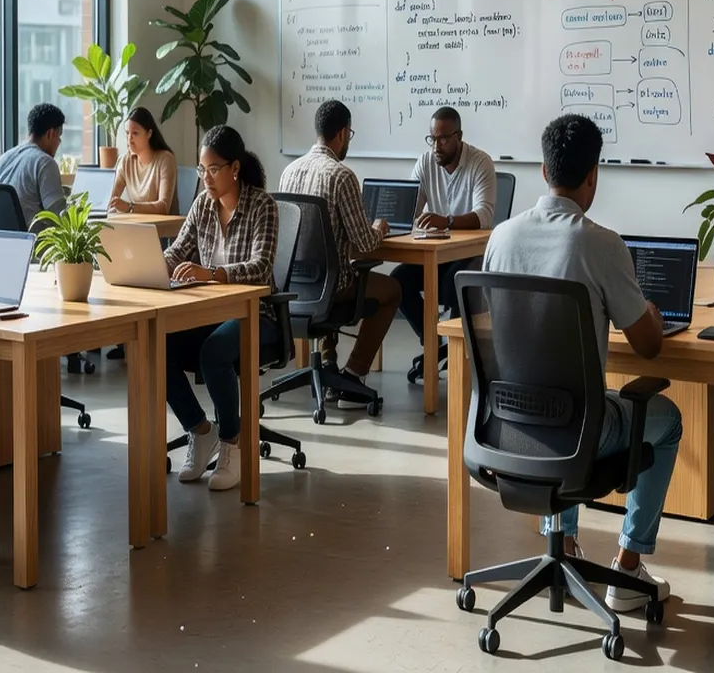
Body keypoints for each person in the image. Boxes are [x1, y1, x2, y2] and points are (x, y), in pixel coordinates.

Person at [483, 113, 681, 612]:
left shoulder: (501, 238)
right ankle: (628, 566)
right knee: (668, 419)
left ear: (544, 169)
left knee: (556, 399)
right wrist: (650, 314)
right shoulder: (600, 243)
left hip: (506, 425)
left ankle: (565, 544)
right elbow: (649, 346)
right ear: (593, 174)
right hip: (578, 432)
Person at [164, 126, 280, 491]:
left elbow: (261, 267)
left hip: (257, 314)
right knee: (155, 344)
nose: (206, 178)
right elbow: (176, 253)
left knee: (214, 352)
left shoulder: (263, 206)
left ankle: (232, 442)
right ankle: (201, 431)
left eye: (213, 169)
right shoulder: (202, 205)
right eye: (201, 169)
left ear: (234, 167)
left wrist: (212, 273)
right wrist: (148, 265)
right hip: (209, 313)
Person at [278, 100, 402, 407]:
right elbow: (365, 241)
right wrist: (379, 228)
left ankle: (329, 362)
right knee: (393, 290)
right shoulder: (341, 175)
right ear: (343, 133)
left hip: (292, 288)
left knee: (332, 266)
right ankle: (354, 373)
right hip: (331, 288)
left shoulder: (288, 172)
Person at [390, 107, 497, 353]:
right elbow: (411, 211)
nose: (437, 146)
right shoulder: (426, 162)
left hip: (470, 255)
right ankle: (433, 341)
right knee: (397, 281)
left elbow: (484, 216)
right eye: (432, 139)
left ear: (459, 136)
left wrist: (447, 221)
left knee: (453, 282)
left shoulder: (480, 162)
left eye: (444, 139)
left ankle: (459, 351)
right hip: (436, 253)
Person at [0, 103, 68, 221]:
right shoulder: (44, 162)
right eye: (59, 136)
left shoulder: (4, 159)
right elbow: (60, 217)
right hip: (35, 238)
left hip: (3, 237)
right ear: (51, 133)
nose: (59, 141)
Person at [109, 106, 179, 214]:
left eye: (135, 133)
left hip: (162, 227)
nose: (129, 139)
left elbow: (163, 207)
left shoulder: (165, 159)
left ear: (149, 134)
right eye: (127, 133)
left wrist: (130, 207)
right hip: (137, 226)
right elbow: (111, 200)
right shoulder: (125, 161)